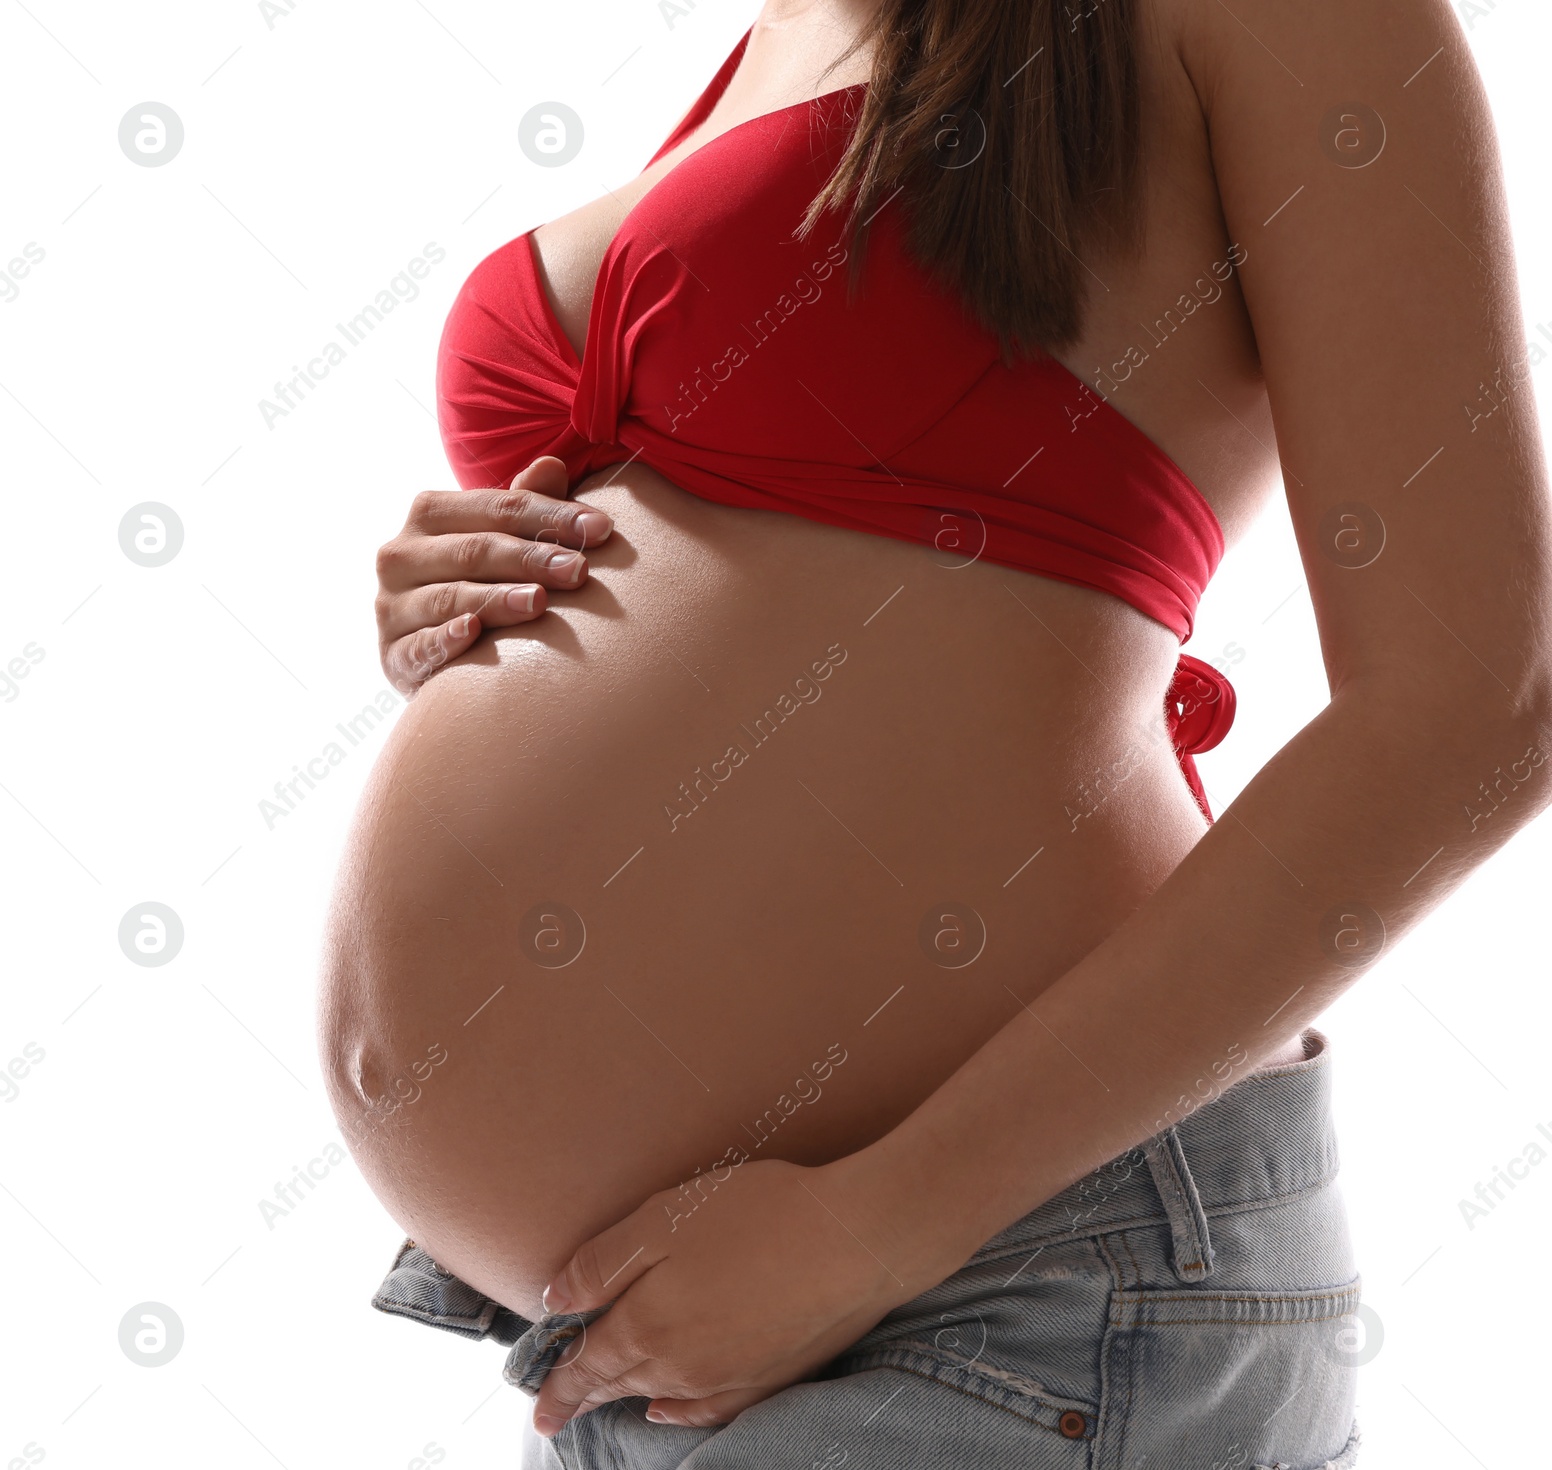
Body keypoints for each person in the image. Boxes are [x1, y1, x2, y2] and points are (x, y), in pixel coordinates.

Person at [324, 1, 1552, 1465]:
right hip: (646, 1339)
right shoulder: (797, 24)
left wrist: (877, 1224)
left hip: (1006, 1287)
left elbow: (1484, 697)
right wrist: (468, 604)